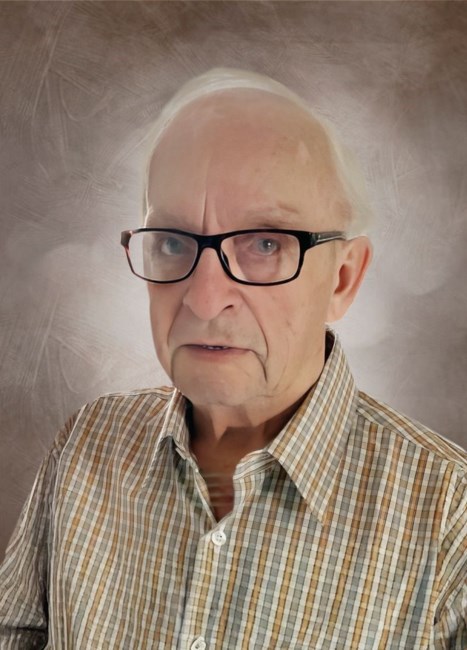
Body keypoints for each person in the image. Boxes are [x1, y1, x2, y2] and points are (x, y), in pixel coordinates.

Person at [0, 68, 465, 650]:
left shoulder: (450, 519)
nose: (204, 298)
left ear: (343, 279)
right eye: (173, 242)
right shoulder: (87, 445)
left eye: (265, 244)